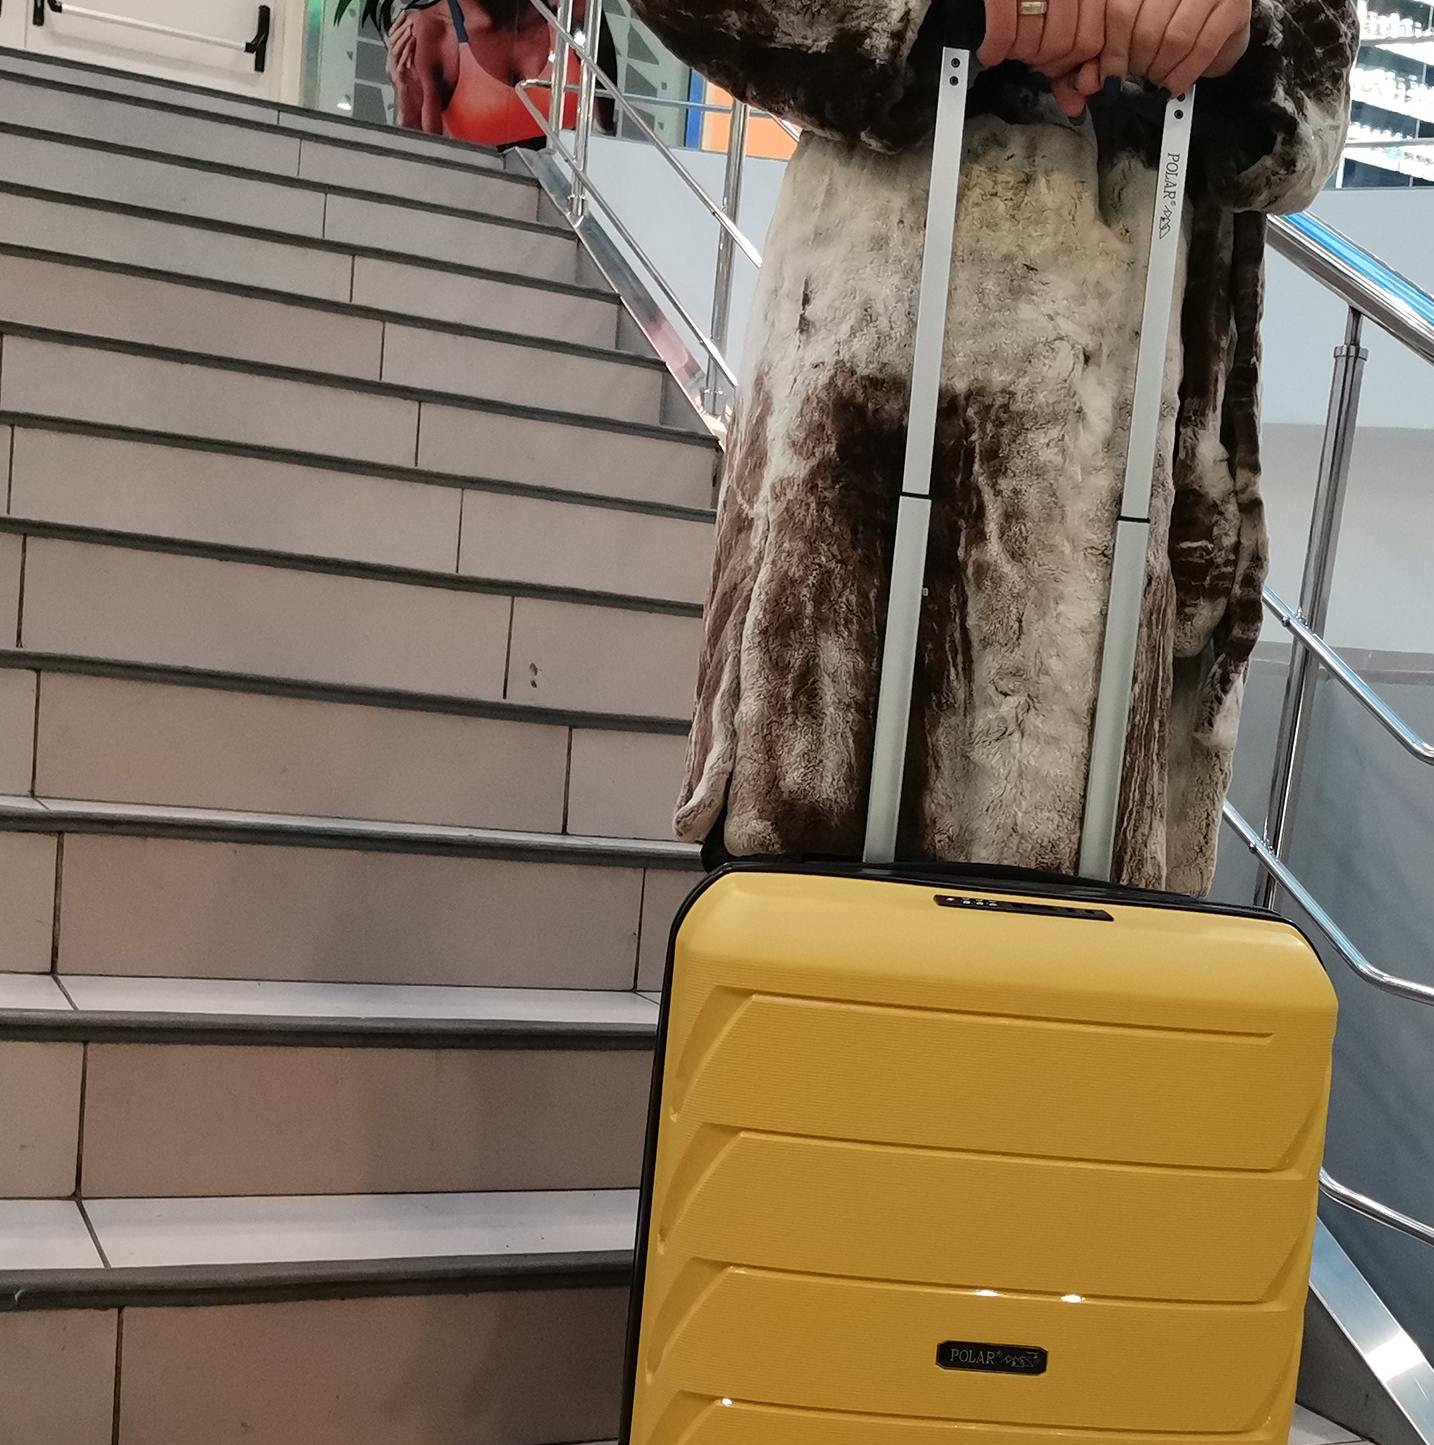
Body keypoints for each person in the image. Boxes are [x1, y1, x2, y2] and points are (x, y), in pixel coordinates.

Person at [639, 0, 1358, 892]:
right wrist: (978, 12)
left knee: (1079, 929)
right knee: (818, 898)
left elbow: (1311, 95)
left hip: (1146, 417)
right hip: (880, 404)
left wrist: (1239, 30)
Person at [387, 0, 616, 149]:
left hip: (574, 192)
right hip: (484, 196)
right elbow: (424, 164)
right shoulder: (432, 32)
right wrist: (408, 113)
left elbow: (605, 128)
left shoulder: (564, 9)